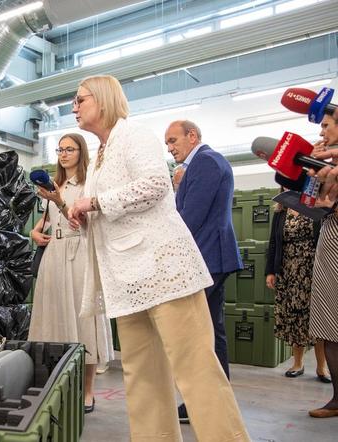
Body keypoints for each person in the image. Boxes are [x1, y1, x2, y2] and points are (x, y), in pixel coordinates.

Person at [67, 75, 249, 441]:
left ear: (102, 101)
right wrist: (85, 216)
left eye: (80, 99)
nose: (74, 106)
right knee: (142, 375)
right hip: (127, 280)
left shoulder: (133, 135)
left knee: (196, 369)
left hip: (164, 271)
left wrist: (97, 202)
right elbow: (111, 213)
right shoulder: (101, 155)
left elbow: (155, 185)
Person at [28, 133, 114, 414]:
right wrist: (35, 231)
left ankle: (87, 391)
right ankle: (56, 384)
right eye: (60, 149)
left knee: (84, 320)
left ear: (81, 152)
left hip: (79, 254)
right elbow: (47, 220)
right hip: (54, 254)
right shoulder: (55, 184)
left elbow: (82, 223)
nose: (64, 154)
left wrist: (60, 200)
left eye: (70, 149)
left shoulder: (89, 183)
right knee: (53, 318)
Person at [164, 120, 243, 423]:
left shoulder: (206, 162)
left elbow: (190, 218)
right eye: (167, 143)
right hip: (211, 257)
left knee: (197, 332)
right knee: (212, 330)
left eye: (173, 141)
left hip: (208, 257)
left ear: (192, 136)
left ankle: (204, 400)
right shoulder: (202, 164)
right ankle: (214, 398)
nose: (170, 148)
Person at [265, 195, 328, 382]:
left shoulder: (315, 207)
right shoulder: (280, 211)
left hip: (313, 268)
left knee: (317, 317)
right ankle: (298, 363)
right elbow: (274, 243)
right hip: (287, 271)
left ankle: (321, 367)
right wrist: (270, 271)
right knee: (294, 317)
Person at [304, 111, 338, 418]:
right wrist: (313, 170)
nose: (322, 132)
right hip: (330, 235)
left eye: (326, 126)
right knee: (329, 321)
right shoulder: (323, 163)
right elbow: (310, 202)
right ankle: (337, 399)